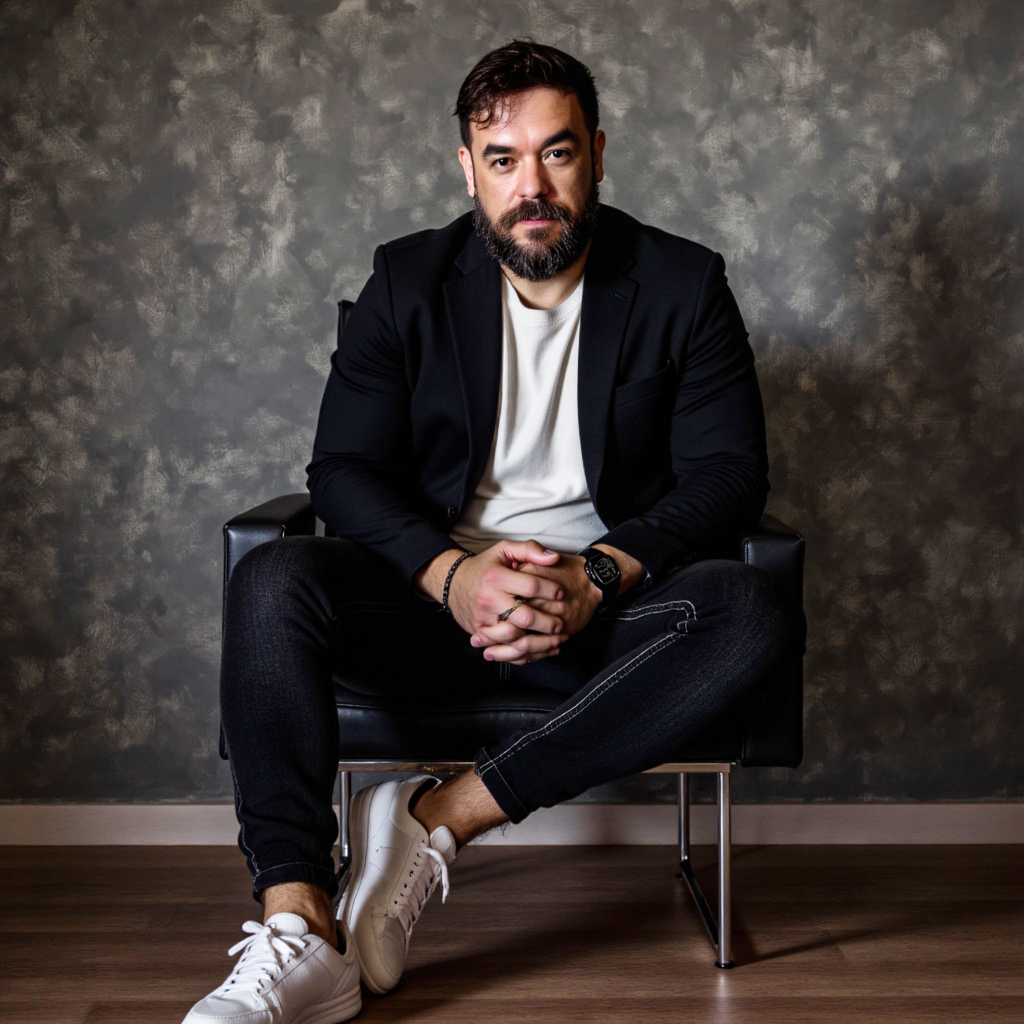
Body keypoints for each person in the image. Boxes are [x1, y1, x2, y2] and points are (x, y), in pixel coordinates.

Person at [182, 39, 804, 1024]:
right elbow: (340, 470)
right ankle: (298, 927)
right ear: (467, 168)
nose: (533, 187)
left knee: (754, 609)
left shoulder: (683, 285)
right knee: (271, 577)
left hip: (606, 622)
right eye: (503, 159)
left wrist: (595, 576)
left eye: (557, 153)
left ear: (597, 155)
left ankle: (440, 817)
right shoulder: (406, 281)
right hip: (433, 612)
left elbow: (729, 475)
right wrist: (452, 576)